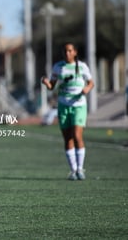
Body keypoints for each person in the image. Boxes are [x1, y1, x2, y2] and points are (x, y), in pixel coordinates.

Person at [41, 42, 94, 180]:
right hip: (63, 105)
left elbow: (91, 82)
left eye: (70, 51)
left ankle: (81, 169)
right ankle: (73, 170)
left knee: (77, 136)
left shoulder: (82, 67)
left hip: (79, 105)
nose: (67, 53)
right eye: (65, 51)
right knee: (68, 138)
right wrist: (46, 82)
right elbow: (52, 86)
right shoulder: (58, 67)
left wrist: (86, 90)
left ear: (75, 52)